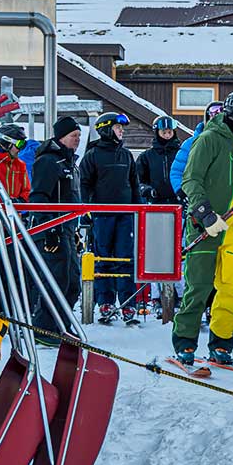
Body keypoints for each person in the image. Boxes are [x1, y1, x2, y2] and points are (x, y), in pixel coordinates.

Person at [172, 91, 233, 365]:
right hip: (206, 226)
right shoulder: (209, 139)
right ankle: (185, 342)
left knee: (230, 290)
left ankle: (221, 343)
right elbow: (191, 179)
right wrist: (203, 213)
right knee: (199, 287)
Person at [79, 112, 142, 324]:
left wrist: (139, 210)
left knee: (126, 258)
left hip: (125, 215)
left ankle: (128, 303)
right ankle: (105, 301)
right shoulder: (92, 155)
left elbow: (134, 185)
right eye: (117, 127)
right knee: (102, 258)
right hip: (102, 215)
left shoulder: (126, 155)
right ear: (106, 130)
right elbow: (84, 185)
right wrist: (86, 210)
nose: (121, 131)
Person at [28, 116, 83, 339]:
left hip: (68, 228)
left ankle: (61, 322)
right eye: (73, 136)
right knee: (56, 279)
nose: (77, 140)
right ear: (61, 137)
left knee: (72, 281)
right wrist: (49, 228)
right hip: (52, 229)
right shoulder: (49, 161)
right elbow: (39, 196)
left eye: (79, 136)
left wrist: (75, 228)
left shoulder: (71, 163)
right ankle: (44, 328)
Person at [137, 115, 183, 315]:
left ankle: (180, 294)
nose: (167, 135)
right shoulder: (147, 157)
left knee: (181, 252)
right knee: (157, 252)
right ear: (157, 132)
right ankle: (156, 297)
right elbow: (138, 181)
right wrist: (148, 190)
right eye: (163, 132)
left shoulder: (181, 153)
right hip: (156, 208)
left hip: (179, 206)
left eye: (170, 132)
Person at [170, 101, 222, 198]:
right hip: (198, 199)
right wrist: (181, 191)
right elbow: (177, 171)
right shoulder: (191, 144)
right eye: (212, 117)